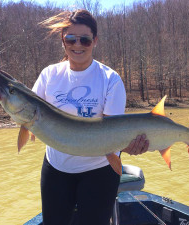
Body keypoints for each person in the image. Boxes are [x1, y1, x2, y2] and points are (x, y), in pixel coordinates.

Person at [32, 9, 149, 225]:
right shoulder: (49, 75)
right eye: (71, 39)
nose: (77, 45)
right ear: (63, 40)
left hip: (99, 172)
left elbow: (111, 136)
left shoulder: (110, 79)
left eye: (84, 40)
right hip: (56, 170)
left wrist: (128, 146)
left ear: (94, 41)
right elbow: (30, 116)